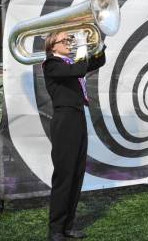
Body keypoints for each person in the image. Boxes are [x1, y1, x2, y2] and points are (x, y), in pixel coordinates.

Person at [43, 30, 106, 241]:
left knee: (77, 174)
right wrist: (80, 46)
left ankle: (68, 226)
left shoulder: (70, 64)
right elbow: (79, 70)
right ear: (53, 46)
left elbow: (98, 62)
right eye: (66, 40)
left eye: (71, 40)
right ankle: (56, 230)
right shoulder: (51, 64)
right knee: (64, 175)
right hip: (64, 120)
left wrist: (99, 42)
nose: (70, 43)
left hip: (78, 117)